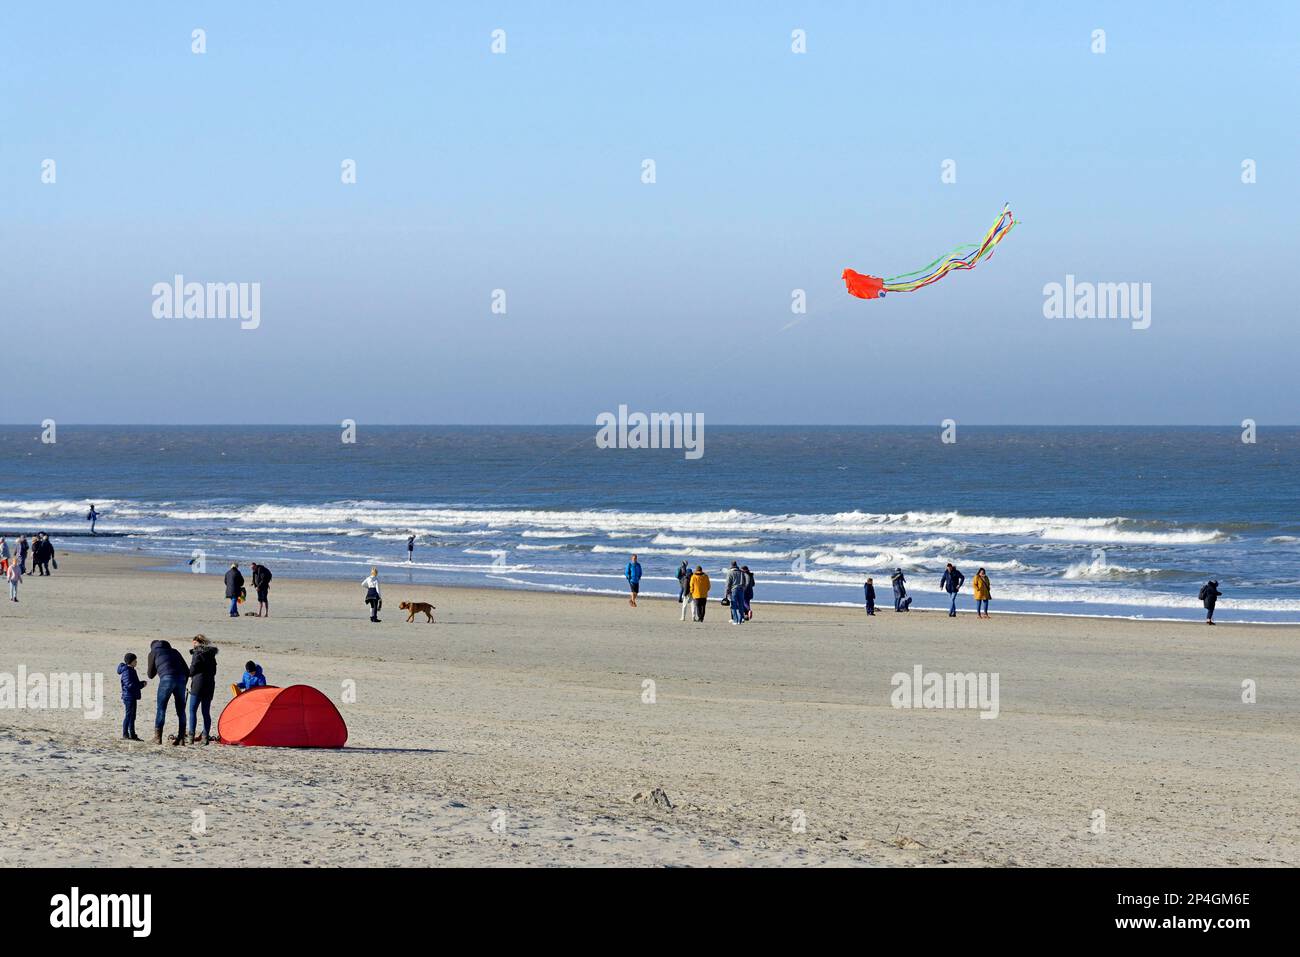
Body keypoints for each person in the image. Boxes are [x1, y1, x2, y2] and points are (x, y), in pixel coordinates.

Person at [147, 639, 190, 745]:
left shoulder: (153, 652)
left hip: (167, 679)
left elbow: (150, 675)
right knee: (181, 710)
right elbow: (187, 671)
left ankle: (158, 738)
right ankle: (181, 739)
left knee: (161, 708)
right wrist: (184, 684)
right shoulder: (175, 651)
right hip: (181, 680)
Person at [187, 635, 219, 744]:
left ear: (197, 643)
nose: (193, 645)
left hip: (198, 684)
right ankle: (205, 736)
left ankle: (191, 736)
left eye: (194, 643)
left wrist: (189, 674)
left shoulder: (197, 653)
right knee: (206, 712)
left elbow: (193, 668)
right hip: (210, 684)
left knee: (192, 710)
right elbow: (214, 671)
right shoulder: (211, 654)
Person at [117, 653, 147, 741]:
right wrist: (141, 684)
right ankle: (125, 734)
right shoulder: (127, 671)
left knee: (132, 716)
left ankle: (132, 734)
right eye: (135, 660)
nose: (136, 662)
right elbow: (129, 685)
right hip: (128, 697)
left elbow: (132, 683)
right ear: (131, 662)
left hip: (132, 696)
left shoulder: (131, 670)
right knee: (128, 715)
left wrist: (141, 683)